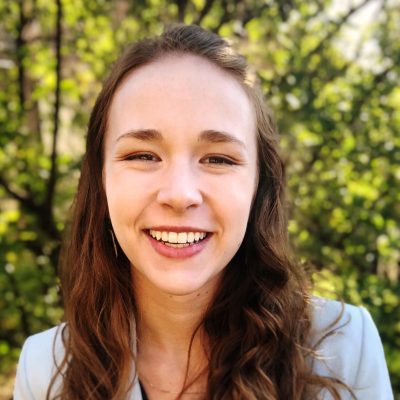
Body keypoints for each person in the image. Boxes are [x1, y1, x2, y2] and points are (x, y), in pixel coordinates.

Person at [14, 24, 393, 400]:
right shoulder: (45, 367)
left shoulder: (344, 350)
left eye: (218, 158)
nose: (180, 194)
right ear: (101, 180)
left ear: (260, 187)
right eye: (143, 155)